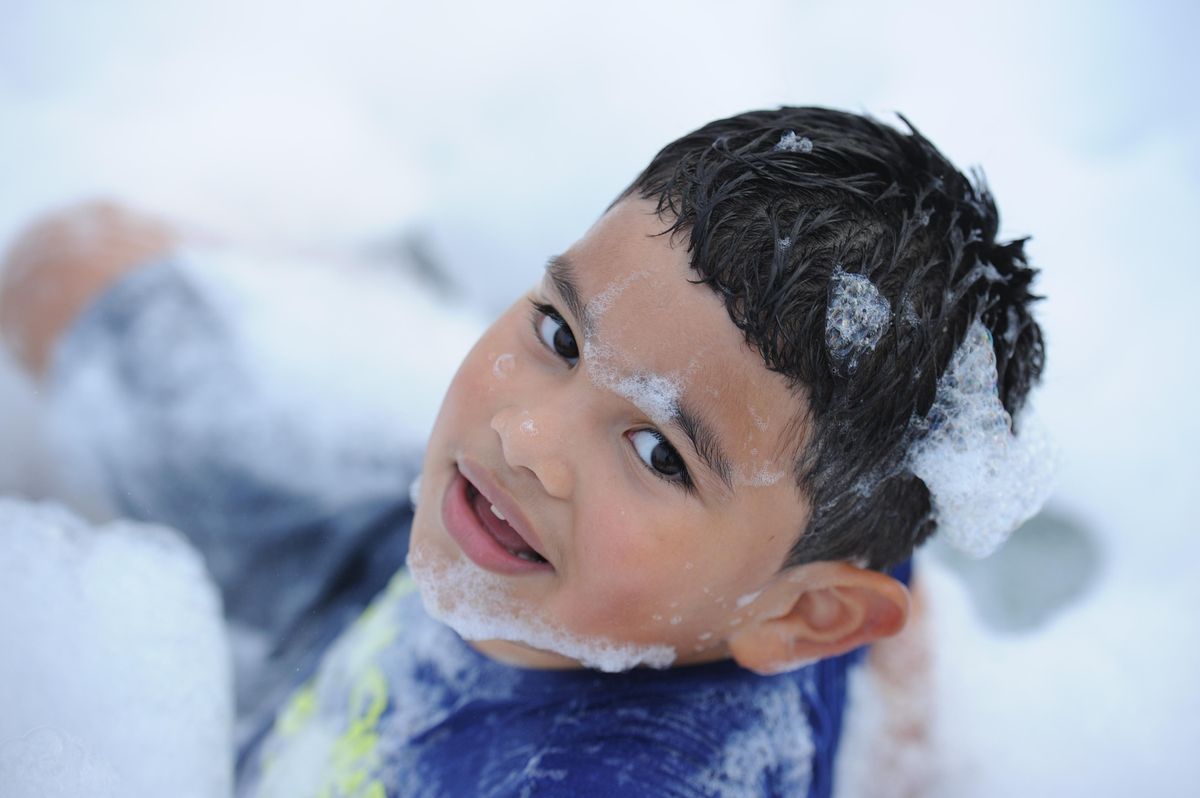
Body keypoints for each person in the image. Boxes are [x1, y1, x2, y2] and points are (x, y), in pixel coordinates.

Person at [0, 107, 1045, 797]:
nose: (524, 437)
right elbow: (895, 580)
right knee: (65, 265)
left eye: (658, 451)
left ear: (804, 617)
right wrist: (912, 744)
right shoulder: (798, 542)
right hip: (396, 592)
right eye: (559, 332)